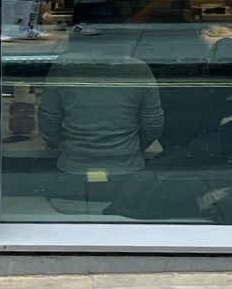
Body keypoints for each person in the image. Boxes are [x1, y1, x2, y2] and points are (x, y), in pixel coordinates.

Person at [37, 42, 164, 210]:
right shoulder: (137, 68)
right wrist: (130, 149)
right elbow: (153, 122)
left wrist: (64, 145)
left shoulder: (66, 65)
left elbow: (48, 118)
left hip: (74, 168)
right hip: (127, 171)